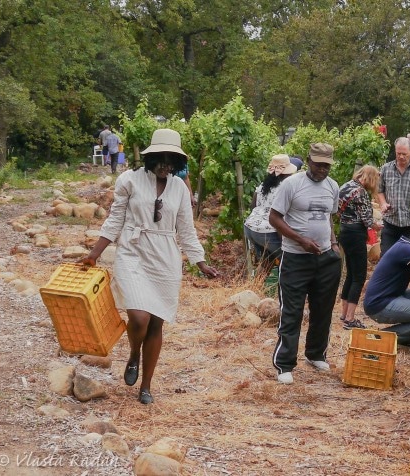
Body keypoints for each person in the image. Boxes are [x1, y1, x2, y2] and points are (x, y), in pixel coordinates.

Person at [80, 128, 219, 404]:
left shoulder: (180, 188)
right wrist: (95, 253)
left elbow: (186, 231)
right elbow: (115, 219)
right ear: (151, 156)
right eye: (162, 157)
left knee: (156, 322)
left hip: (165, 257)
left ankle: (146, 385)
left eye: (172, 159)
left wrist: (200, 261)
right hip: (133, 251)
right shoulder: (129, 180)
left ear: (178, 163)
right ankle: (134, 354)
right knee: (139, 317)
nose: (166, 164)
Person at [269, 143, 342, 385]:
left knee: (323, 310)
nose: (322, 169)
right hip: (296, 257)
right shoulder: (291, 184)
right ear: (309, 160)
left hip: (325, 258)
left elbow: (328, 218)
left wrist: (333, 244)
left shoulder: (333, 187)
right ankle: (284, 364)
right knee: (292, 311)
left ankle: (316, 353)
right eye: (318, 164)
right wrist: (301, 240)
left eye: (326, 166)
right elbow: (274, 218)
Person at [337, 165, 382, 329]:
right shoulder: (361, 192)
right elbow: (367, 220)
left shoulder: (346, 186)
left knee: (350, 273)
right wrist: (377, 226)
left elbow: (337, 210)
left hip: (344, 232)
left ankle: (343, 313)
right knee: (359, 276)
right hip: (356, 235)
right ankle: (350, 319)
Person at [244, 154, 297, 269]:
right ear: (287, 172)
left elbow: (253, 206)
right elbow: (279, 218)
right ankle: (282, 286)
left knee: (266, 264)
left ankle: (257, 286)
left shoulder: (264, 185)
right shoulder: (286, 187)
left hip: (251, 228)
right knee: (288, 262)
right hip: (268, 232)